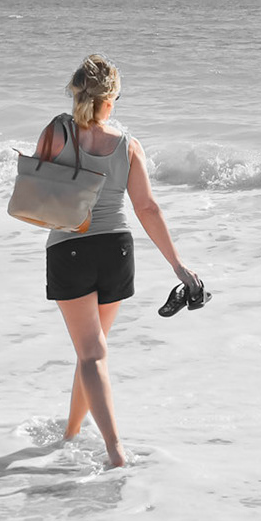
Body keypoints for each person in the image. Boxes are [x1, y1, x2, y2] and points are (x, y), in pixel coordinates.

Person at [35, 54, 200, 468]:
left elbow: (36, 189)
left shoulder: (57, 131)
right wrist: (178, 267)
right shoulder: (129, 146)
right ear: (110, 100)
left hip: (70, 249)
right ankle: (70, 435)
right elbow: (147, 208)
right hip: (117, 252)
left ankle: (115, 452)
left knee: (92, 354)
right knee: (92, 352)